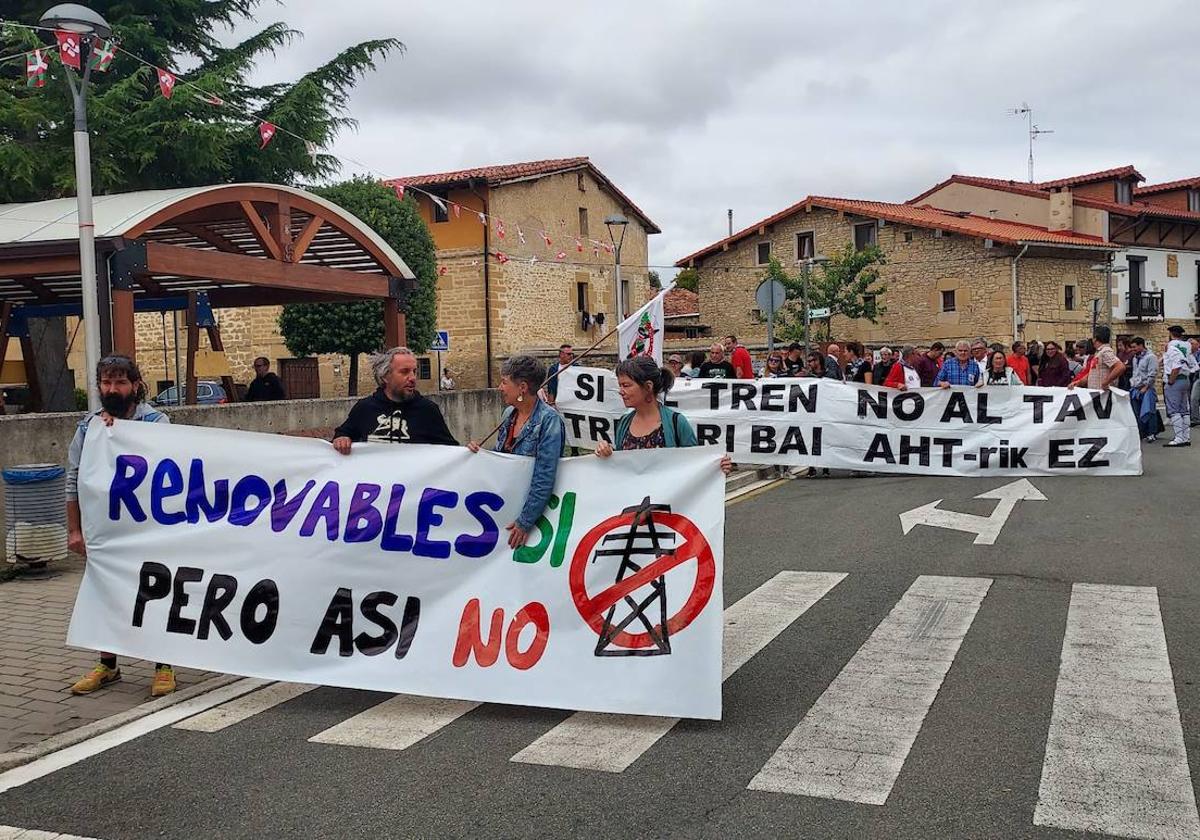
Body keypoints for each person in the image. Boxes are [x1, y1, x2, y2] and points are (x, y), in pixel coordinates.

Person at [66, 355, 176, 697]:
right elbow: (74, 479)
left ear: (136, 385)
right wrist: (74, 530)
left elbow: (172, 473)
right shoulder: (88, 428)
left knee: (155, 592)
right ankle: (108, 664)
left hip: (148, 528)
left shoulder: (158, 422)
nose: (112, 389)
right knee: (106, 593)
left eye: (120, 382)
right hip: (107, 529)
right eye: (106, 382)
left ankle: (164, 664)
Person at [468, 355, 566, 546]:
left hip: (533, 516)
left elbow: (544, 476)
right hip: (505, 506)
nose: (500, 388)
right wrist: (479, 454)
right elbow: (501, 459)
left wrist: (526, 521)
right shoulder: (508, 414)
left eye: (504, 382)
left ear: (522, 387)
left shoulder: (550, 420)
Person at [595, 357, 732, 475]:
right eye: (620, 385)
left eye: (626, 385)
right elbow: (621, 469)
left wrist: (717, 467)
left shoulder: (676, 423)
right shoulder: (624, 423)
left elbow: (696, 466)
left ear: (648, 386)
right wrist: (607, 454)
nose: (621, 391)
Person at [333, 347, 458, 452]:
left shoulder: (428, 410)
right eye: (405, 372)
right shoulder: (365, 408)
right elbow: (342, 435)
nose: (413, 378)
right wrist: (342, 439)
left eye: (414, 371)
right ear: (385, 376)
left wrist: (468, 453)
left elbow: (451, 451)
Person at [1162, 326, 1199, 447]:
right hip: (1185, 379)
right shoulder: (1187, 346)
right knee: (1184, 410)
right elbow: (1193, 363)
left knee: (1174, 409)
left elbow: (1176, 364)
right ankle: (1186, 437)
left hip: (1175, 378)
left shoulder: (1171, 346)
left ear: (1171, 334)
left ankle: (1179, 438)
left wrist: (1171, 380)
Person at [1069, 326, 1126, 392]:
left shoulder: (1105, 351)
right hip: (1097, 394)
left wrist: (1106, 382)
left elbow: (1120, 367)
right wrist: (1078, 382)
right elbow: (1092, 373)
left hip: (1103, 395)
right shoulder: (1099, 353)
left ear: (1095, 339)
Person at [1127, 337, 1160, 442]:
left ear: (1141, 345)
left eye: (1134, 347)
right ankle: (1142, 432)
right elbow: (1135, 373)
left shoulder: (1151, 357)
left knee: (1149, 411)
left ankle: (1151, 433)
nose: (1133, 349)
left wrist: (1146, 387)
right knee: (1137, 412)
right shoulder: (1135, 358)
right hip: (1136, 388)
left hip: (1147, 388)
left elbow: (1152, 373)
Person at [1190, 337, 1200, 426]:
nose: (1191, 345)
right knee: (1193, 398)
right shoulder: (1190, 354)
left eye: (1193, 344)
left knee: (1194, 398)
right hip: (1197, 378)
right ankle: (1195, 419)